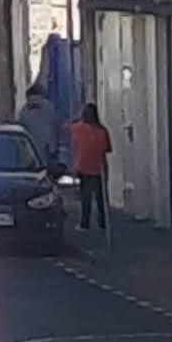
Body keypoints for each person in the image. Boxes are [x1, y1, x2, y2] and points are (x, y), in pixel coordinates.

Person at [65, 103, 114, 242]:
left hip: (83, 167)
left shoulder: (78, 128)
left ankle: (84, 223)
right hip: (99, 167)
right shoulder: (102, 130)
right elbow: (107, 149)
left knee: (85, 198)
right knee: (101, 198)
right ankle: (103, 223)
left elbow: (67, 130)